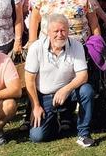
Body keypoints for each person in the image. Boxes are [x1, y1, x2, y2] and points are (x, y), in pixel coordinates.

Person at [24, 14, 96, 146]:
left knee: (87, 90)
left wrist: (65, 89)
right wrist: (36, 106)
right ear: (47, 32)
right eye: (56, 31)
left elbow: (83, 75)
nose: (60, 34)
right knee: (37, 136)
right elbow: (29, 80)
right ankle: (56, 122)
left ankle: (83, 134)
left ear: (68, 30)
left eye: (63, 30)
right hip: (45, 95)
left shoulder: (77, 46)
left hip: (69, 93)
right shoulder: (36, 48)